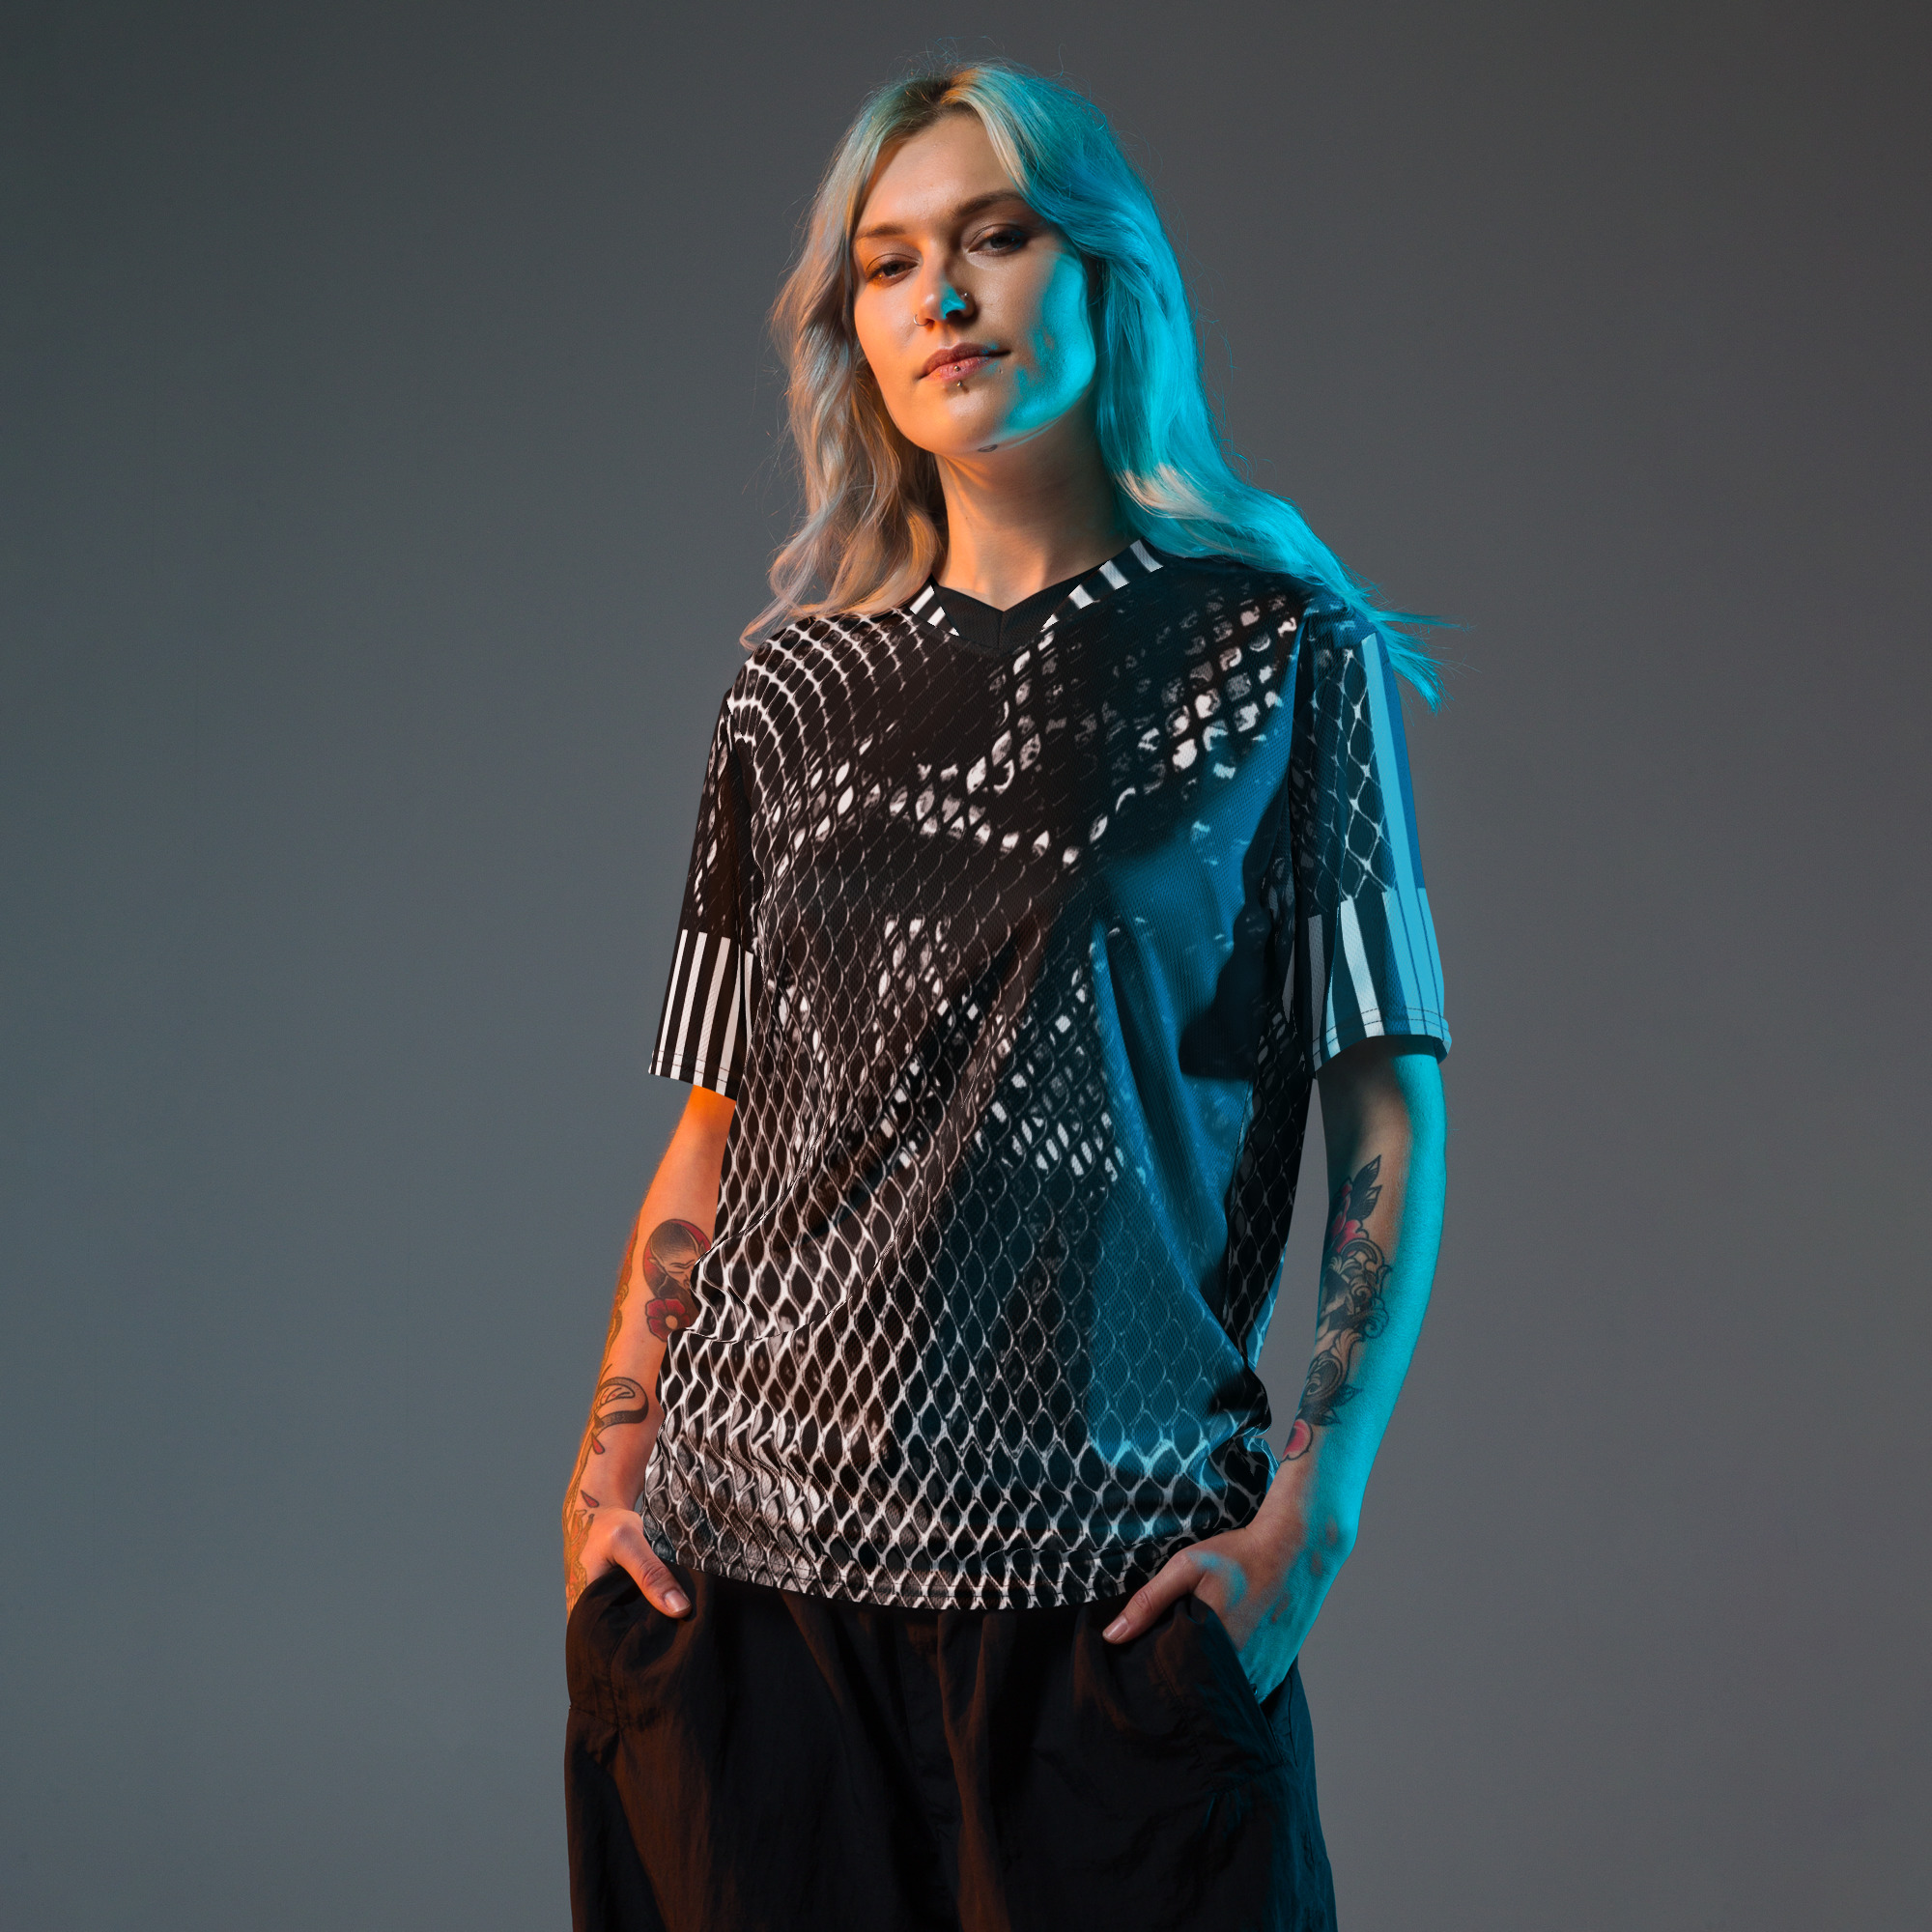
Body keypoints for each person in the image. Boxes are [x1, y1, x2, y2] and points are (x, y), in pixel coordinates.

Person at [561, 57, 1449, 1932]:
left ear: (1104, 270)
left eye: (996, 236)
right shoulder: (789, 689)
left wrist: (1317, 1510)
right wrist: (601, 1485)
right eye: (888, 264)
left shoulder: (1276, 653)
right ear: (855, 329)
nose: (943, 297)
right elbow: (717, 1129)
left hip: (1105, 1597)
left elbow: (1387, 1106)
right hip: (751, 1589)